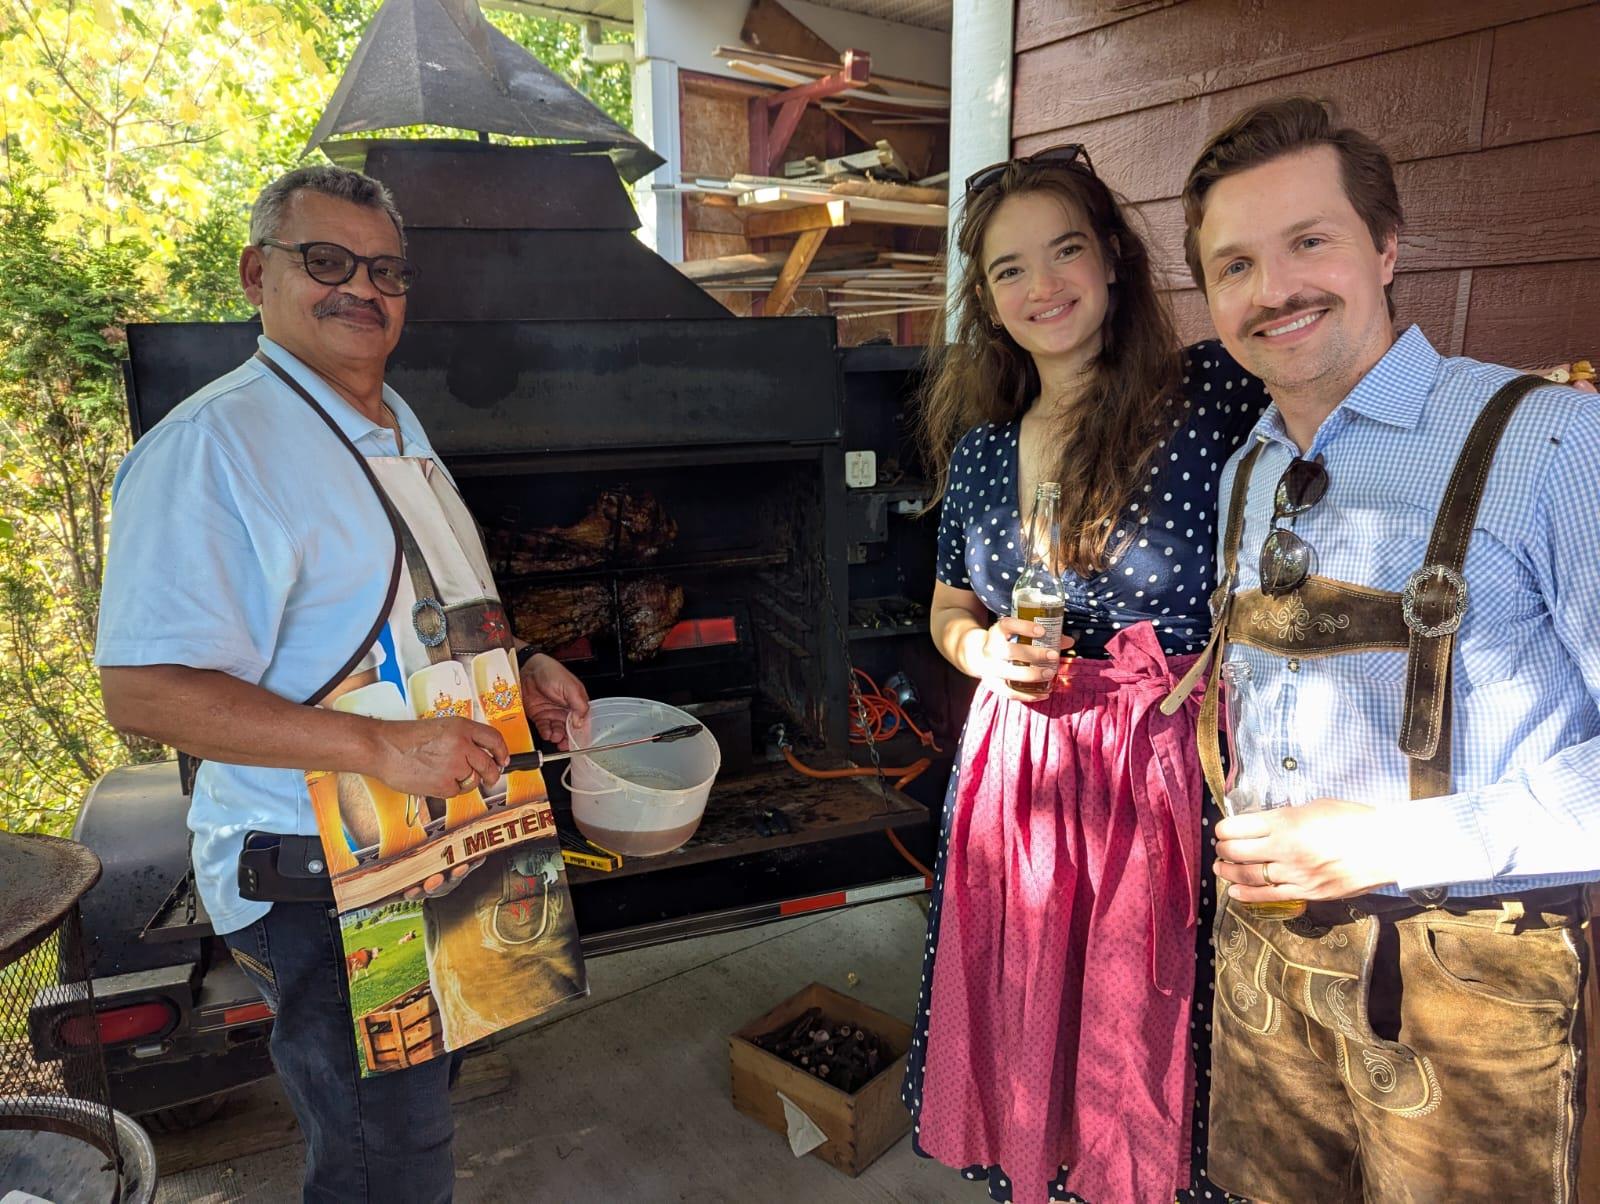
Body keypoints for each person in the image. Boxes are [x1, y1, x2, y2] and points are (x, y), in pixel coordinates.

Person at [95, 165, 590, 1202]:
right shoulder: (212, 448)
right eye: (326, 261)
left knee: (419, 1107)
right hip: (325, 879)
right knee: (385, 1165)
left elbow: (410, 611)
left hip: (437, 843)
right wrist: (377, 747)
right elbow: (143, 692)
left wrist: (517, 669)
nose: (361, 288)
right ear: (256, 274)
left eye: (386, 270)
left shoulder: (391, 419)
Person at [1178, 96, 1599, 1202]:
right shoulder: (1247, 470)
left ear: (1385, 248)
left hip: (1466, 981)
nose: (1273, 290)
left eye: (1308, 242)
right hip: (1264, 952)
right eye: (1234, 265)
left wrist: (1396, 841)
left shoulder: (1553, 441)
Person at [901, 144, 1272, 1204]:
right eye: (1009, 269)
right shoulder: (982, 449)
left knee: (1146, 1020)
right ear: (987, 299)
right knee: (1033, 1006)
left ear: (1112, 257)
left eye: (1064, 250)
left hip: (1165, 760)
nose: (1043, 286)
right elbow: (949, 611)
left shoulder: (1209, 391)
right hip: (1021, 767)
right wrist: (983, 653)